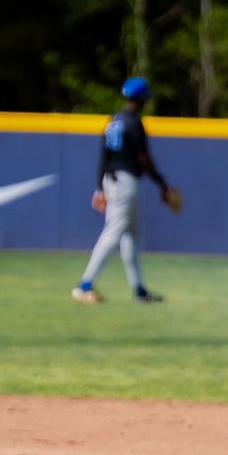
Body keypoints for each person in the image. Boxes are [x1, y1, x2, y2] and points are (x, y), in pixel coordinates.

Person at [71, 77, 178, 304]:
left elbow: (104, 156)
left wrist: (100, 187)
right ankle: (84, 285)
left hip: (112, 180)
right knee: (114, 233)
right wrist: (161, 183)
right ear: (142, 100)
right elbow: (143, 158)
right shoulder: (133, 123)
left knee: (130, 235)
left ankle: (139, 290)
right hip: (125, 183)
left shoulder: (114, 121)